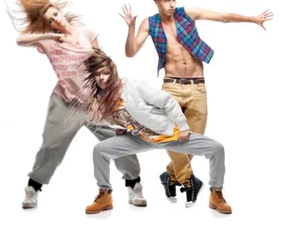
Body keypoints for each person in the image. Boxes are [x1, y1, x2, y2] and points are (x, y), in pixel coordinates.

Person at [119, 0, 273, 206]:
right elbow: (131, 52)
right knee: (170, 137)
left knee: (192, 139)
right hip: (170, 86)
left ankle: (170, 175)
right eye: (166, 1)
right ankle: (189, 180)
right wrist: (131, 27)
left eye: (174, 0)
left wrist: (252, 19)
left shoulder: (187, 14)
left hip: (197, 86)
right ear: (157, 3)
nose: (171, 5)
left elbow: (222, 17)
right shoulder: (149, 23)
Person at [8, 0, 145, 210]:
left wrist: (111, 91)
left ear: (62, 12)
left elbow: (103, 62)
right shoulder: (49, 42)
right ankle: (33, 188)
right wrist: (47, 36)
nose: (55, 19)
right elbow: (20, 40)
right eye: (50, 19)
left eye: (55, 14)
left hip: (94, 103)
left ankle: (134, 185)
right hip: (65, 102)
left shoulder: (86, 33)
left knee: (118, 140)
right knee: (51, 146)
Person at [78, 47, 232, 215]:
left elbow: (167, 101)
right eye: (97, 74)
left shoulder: (134, 86)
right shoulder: (102, 98)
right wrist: (121, 128)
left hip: (169, 136)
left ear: (112, 71)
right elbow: (118, 118)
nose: (101, 78)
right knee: (100, 150)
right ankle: (105, 195)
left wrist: (183, 127)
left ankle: (216, 194)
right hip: (139, 138)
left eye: (105, 73)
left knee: (216, 149)